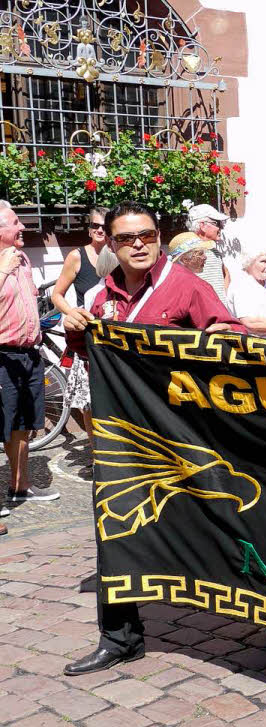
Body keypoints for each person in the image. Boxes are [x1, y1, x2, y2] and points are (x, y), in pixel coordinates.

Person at [61, 200, 245, 676]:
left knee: (224, 523)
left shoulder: (186, 286)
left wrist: (221, 334)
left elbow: (230, 332)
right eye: (126, 238)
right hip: (125, 441)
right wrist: (76, 329)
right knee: (115, 530)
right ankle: (119, 637)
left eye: (146, 235)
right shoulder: (104, 296)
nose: (138, 244)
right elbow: (93, 353)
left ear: (159, 236)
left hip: (187, 443)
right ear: (112, 243)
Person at [0, 201, 61, 532]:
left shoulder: (22, 259)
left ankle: (20, 485)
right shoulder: (8, 263)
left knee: (24, 423)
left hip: (28, 353)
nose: (22, 227)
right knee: (2, 423)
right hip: (2, 356)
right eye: (14, 223)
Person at [49, 206, 110, 444]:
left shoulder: (118, 252)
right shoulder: (77, 256)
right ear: (89, 229)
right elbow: (57, 295)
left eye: (104, 226)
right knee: (89, 402)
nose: (99, 230)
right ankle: (96, 454)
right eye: (95, 226)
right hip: (88, 338)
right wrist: (73, 313)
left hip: (115, 334)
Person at [187, 203, 232, 300]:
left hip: (219, 311)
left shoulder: (214, 251)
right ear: (202, 226)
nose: (220, 228)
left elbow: (226, 273)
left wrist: (223, 300)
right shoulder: (190, 253)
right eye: (217, 223)